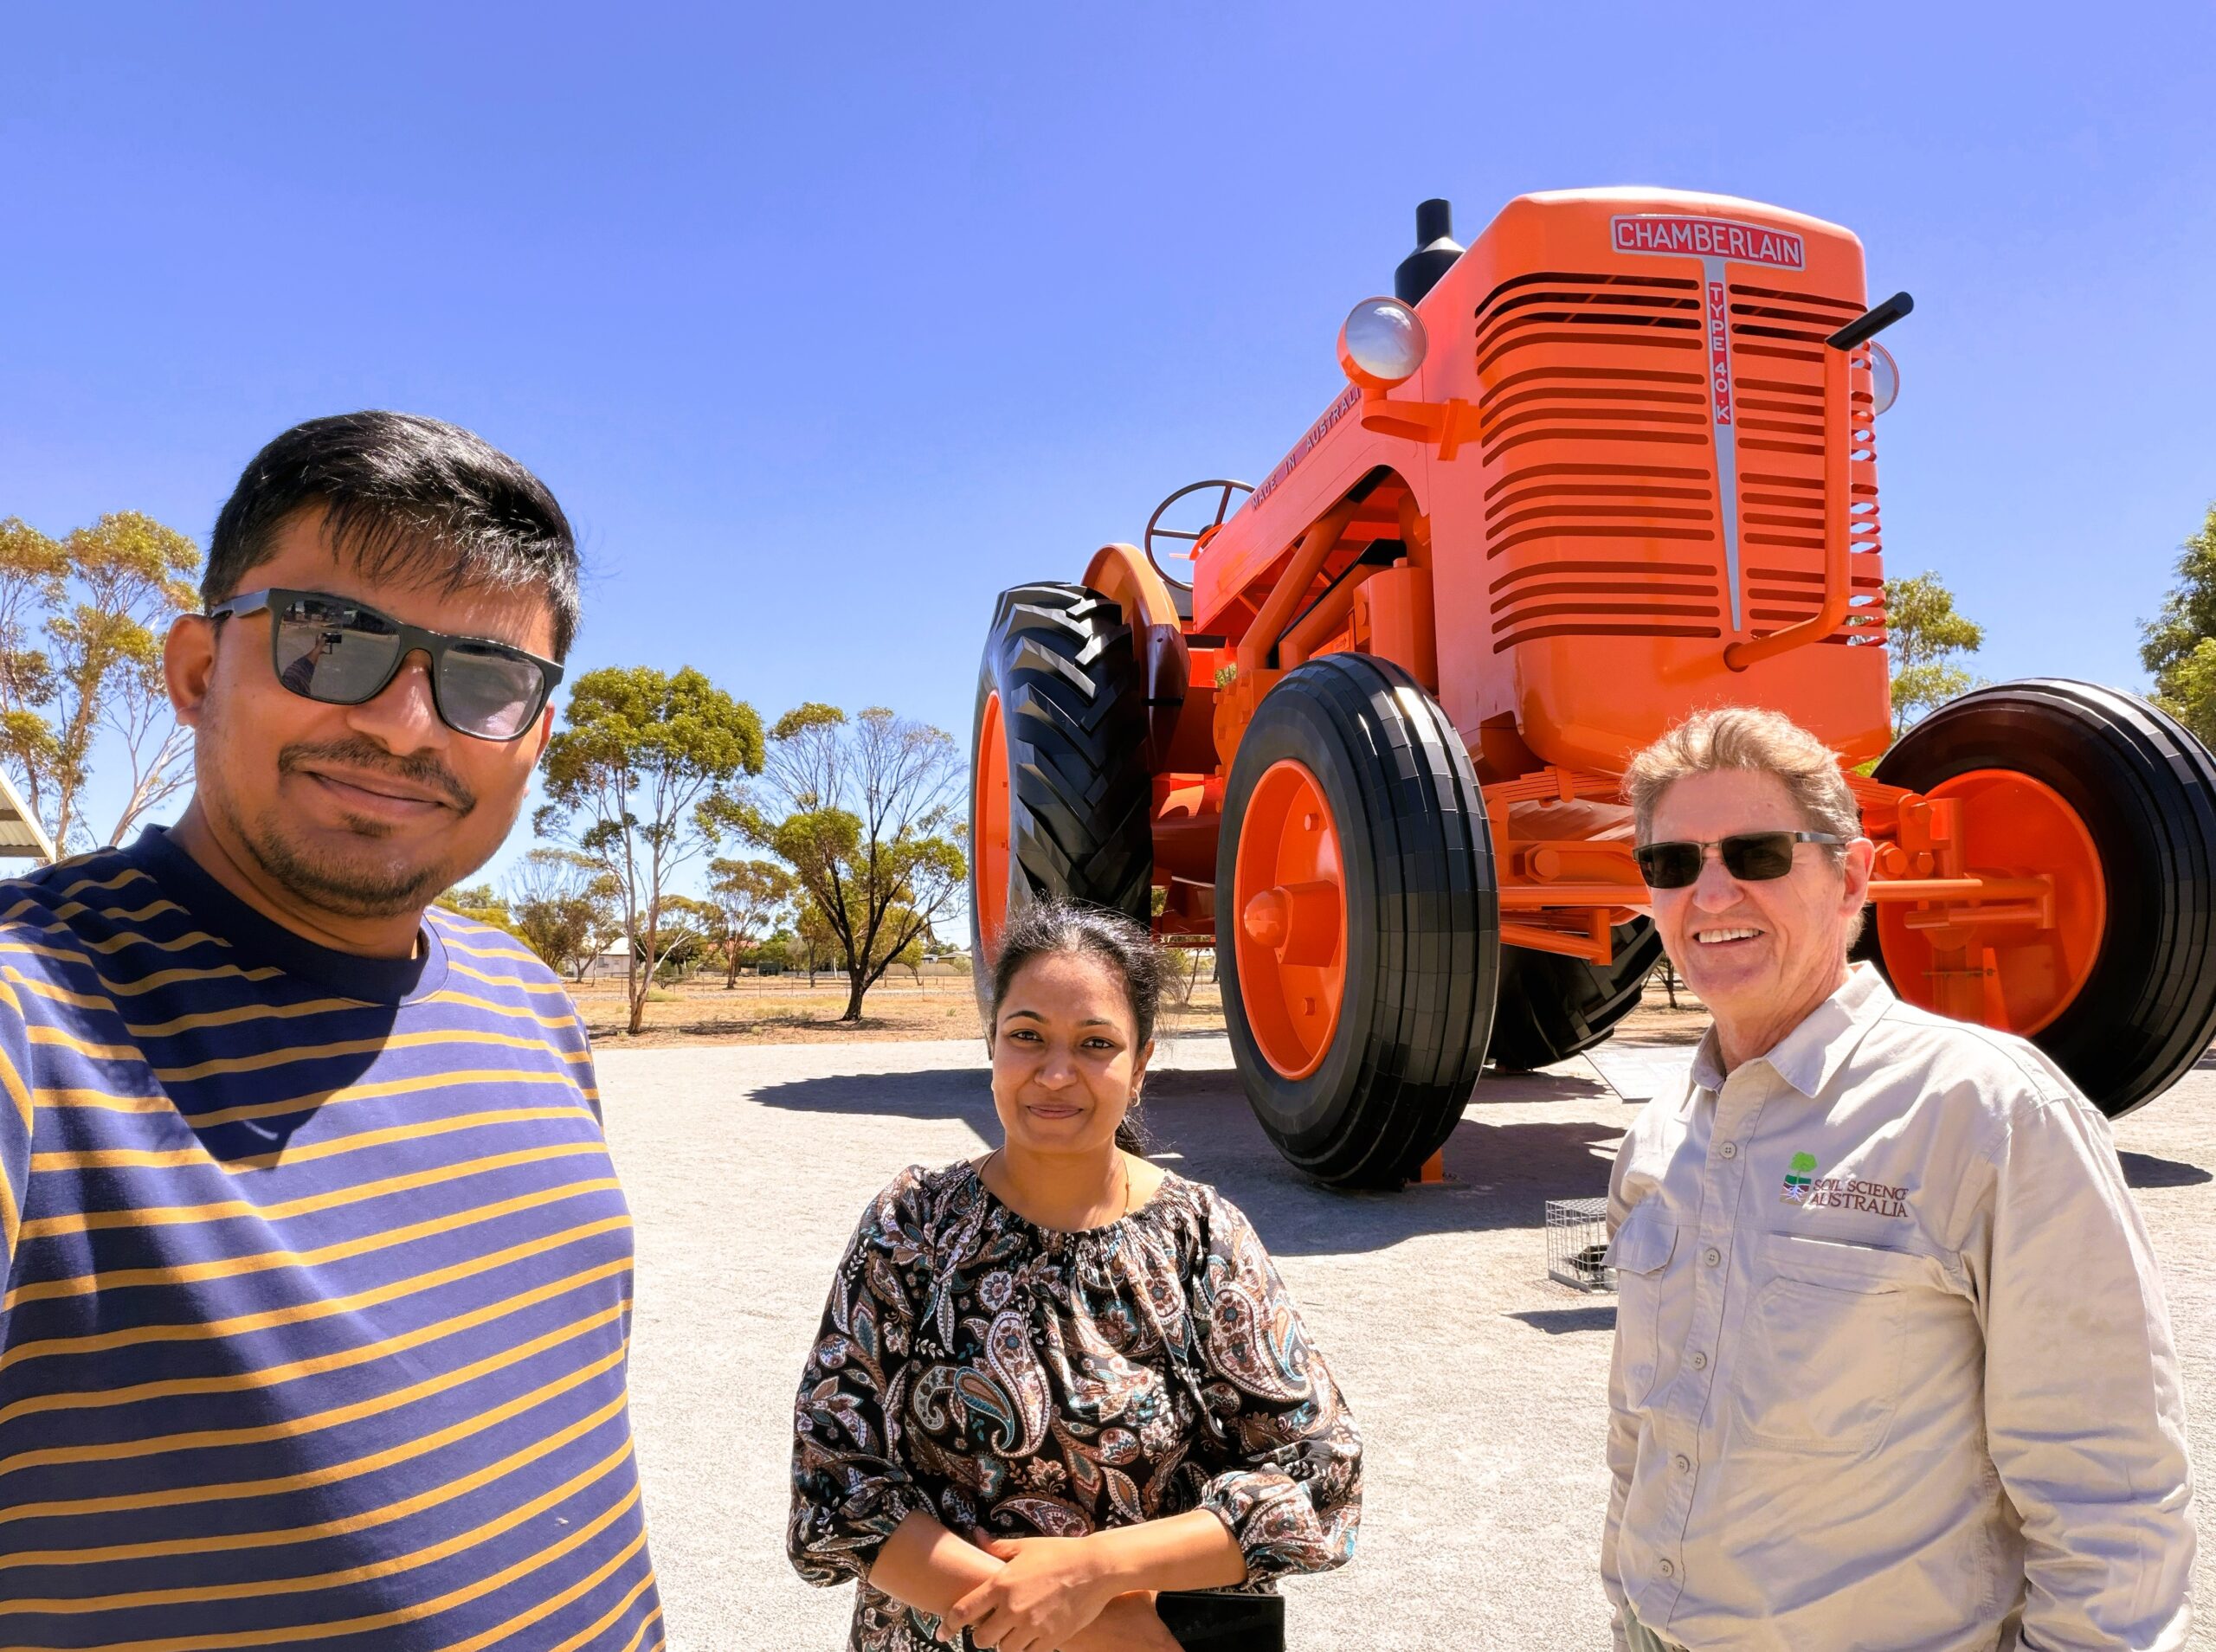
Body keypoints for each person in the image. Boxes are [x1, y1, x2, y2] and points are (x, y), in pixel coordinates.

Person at [0, 413, 663, 1647]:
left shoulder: (528, 1003)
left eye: (484, 681)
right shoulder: (33, 1016)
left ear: (537, 735)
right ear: (198, 668)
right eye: (333, 640)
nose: (409, 724)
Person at [1602, 706, 2194, 1651]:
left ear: (1854, 877)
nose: (1709, 896)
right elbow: (1644, 1428)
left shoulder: (1989, 1115)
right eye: (1672, 864)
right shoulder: (1663, 1133)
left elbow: (2109, 1491)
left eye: (1755, 854)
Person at [789, 898, 1362, 1651]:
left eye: (1095, 1042)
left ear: (1141, 1063)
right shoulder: (913, 1227)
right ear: (991, 1042)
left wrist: (1093, 1572)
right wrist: (1068, 1623)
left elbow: (1321, 1471)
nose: (1056, 1073)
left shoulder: (1201, 1236)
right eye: (1027, 1035)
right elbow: (834, 1479)